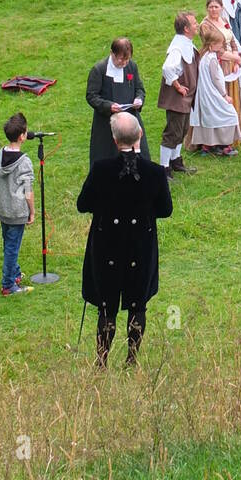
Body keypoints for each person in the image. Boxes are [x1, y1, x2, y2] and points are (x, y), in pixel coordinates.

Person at [77, 112, 173, 367]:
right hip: (140, 246)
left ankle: (102, 360)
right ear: (140, 135)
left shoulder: (101, 169)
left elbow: (83, 204)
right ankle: (131, 359)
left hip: (107, 245)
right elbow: (165, 210)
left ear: (114, 139)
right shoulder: (154, 172)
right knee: (136, 303)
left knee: (107, 306)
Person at [86, 38, 149, 166]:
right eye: (120, 59)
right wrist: (108, 106)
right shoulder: (99, 70)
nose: (124, 63)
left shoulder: (132, 66)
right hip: (107, 122)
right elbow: (91, 96)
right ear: (111, 53)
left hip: (130, 119)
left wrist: (139, 99)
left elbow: (140, 89)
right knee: (107, 156)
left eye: (127, 59)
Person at [0, 111, 35, 295]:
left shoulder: (0, 154)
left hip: (3, 209)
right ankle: (8, 285)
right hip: (17, 212)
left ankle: (14, 273)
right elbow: (28, 191)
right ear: (22, 136)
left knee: (8, 244)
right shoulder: (24, 162)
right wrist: (32, 211)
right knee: (12, 247)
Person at [157, 12, 200, 177]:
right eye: (194, 23)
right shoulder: (177, 48)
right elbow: (168, 68)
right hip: (178, 99)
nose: (197, 25)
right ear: (186, 29)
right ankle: (164, 168)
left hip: (185, 99)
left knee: (182, 130)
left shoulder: (186, 42)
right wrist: (178, 86)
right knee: (172, 133)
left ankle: (176, 161)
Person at [190, 30, 241, 155]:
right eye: (219, 44)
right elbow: (216, 79)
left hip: (205, 94)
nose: (221, 46)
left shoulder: (205, 57)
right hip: (212, 93)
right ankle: (223, 145)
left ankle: (208, 145)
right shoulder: (211, 59)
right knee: (229, 115)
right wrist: (224, 95)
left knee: (210, 118)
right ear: (212, 44)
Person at [200, 0, 241, 141]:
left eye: (216, 6)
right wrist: (235, 58)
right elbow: (215, 49)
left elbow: (232, 40)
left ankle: (236, 132)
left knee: (233, 94)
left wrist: (236, 59)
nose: (213, 9)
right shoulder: (205, 25)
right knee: (221, 96)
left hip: (231, 62)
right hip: (218, 62)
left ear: (221, 8)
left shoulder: (224, 20)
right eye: (211, 6)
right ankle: (221, 136)